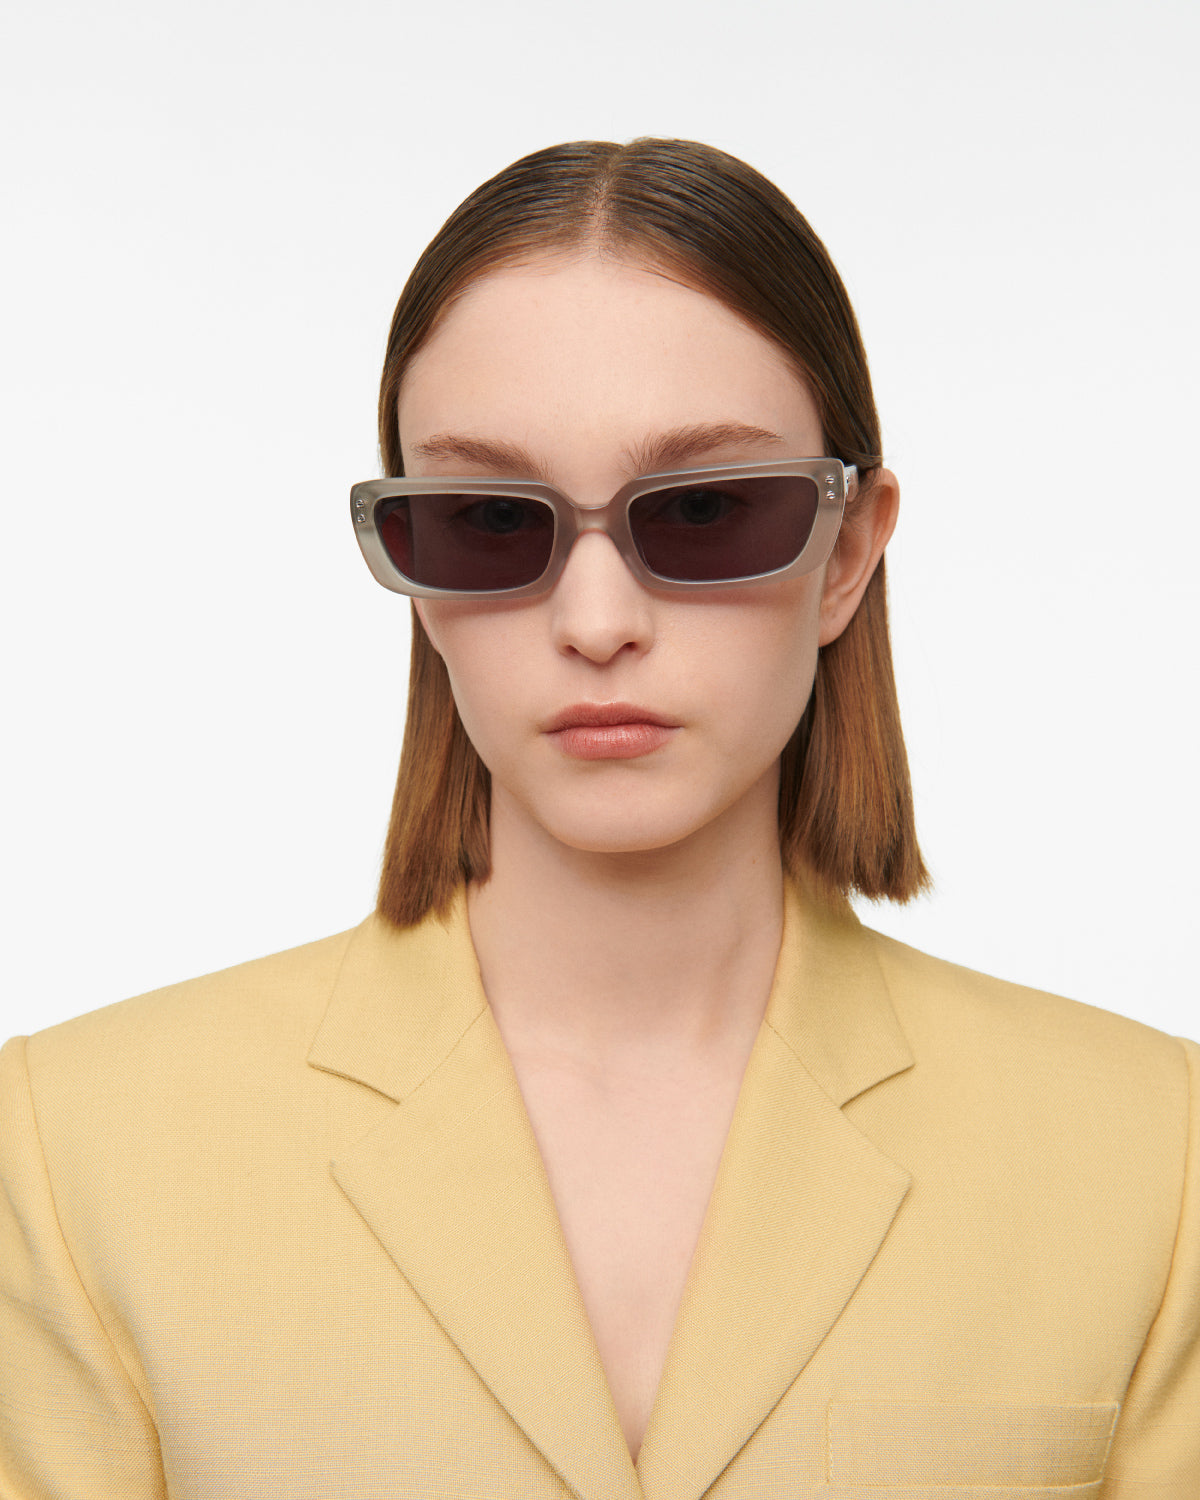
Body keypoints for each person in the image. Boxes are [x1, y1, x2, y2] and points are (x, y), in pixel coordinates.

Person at [1, 139, 1196, 1500]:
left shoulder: (1154, 1162)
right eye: (490, 520)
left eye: (704, 509)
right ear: (416, 564)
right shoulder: (74, 1151)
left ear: (848, 552)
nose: (596, 620)